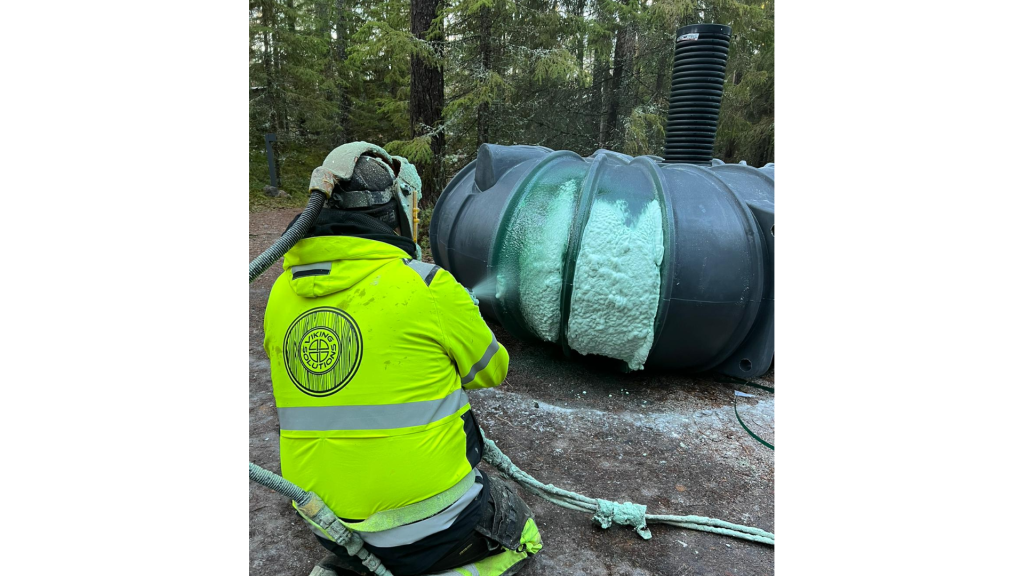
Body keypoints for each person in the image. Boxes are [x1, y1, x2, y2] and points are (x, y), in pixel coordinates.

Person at [262, 142, 543, 576]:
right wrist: (461, 316)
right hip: (426, 526)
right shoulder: (429, 286)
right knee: (516, 526)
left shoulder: (279, 294)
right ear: (394, 211)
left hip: (327, 522)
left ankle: (358, 563)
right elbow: (491, 370)